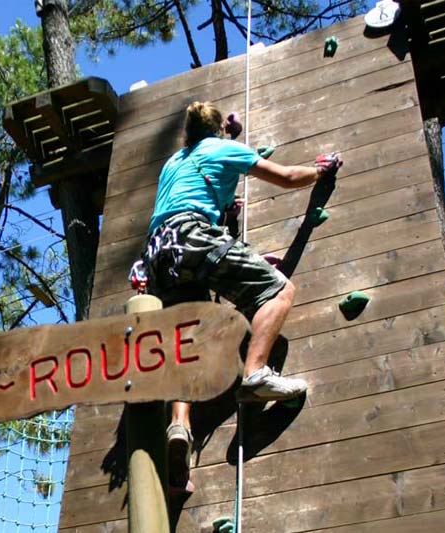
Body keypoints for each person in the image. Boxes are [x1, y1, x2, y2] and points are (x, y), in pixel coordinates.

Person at [142, 101, 342, 488]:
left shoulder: (173, 163)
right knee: (278, 290)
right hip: (194, 237)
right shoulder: (222, 148)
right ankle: (255, 374)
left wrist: (222, 212)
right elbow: (285, 176)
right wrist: (319, 171)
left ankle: (179, 426)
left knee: (189, 339)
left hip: (159, 253)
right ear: (218, 130)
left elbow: (189, 197)